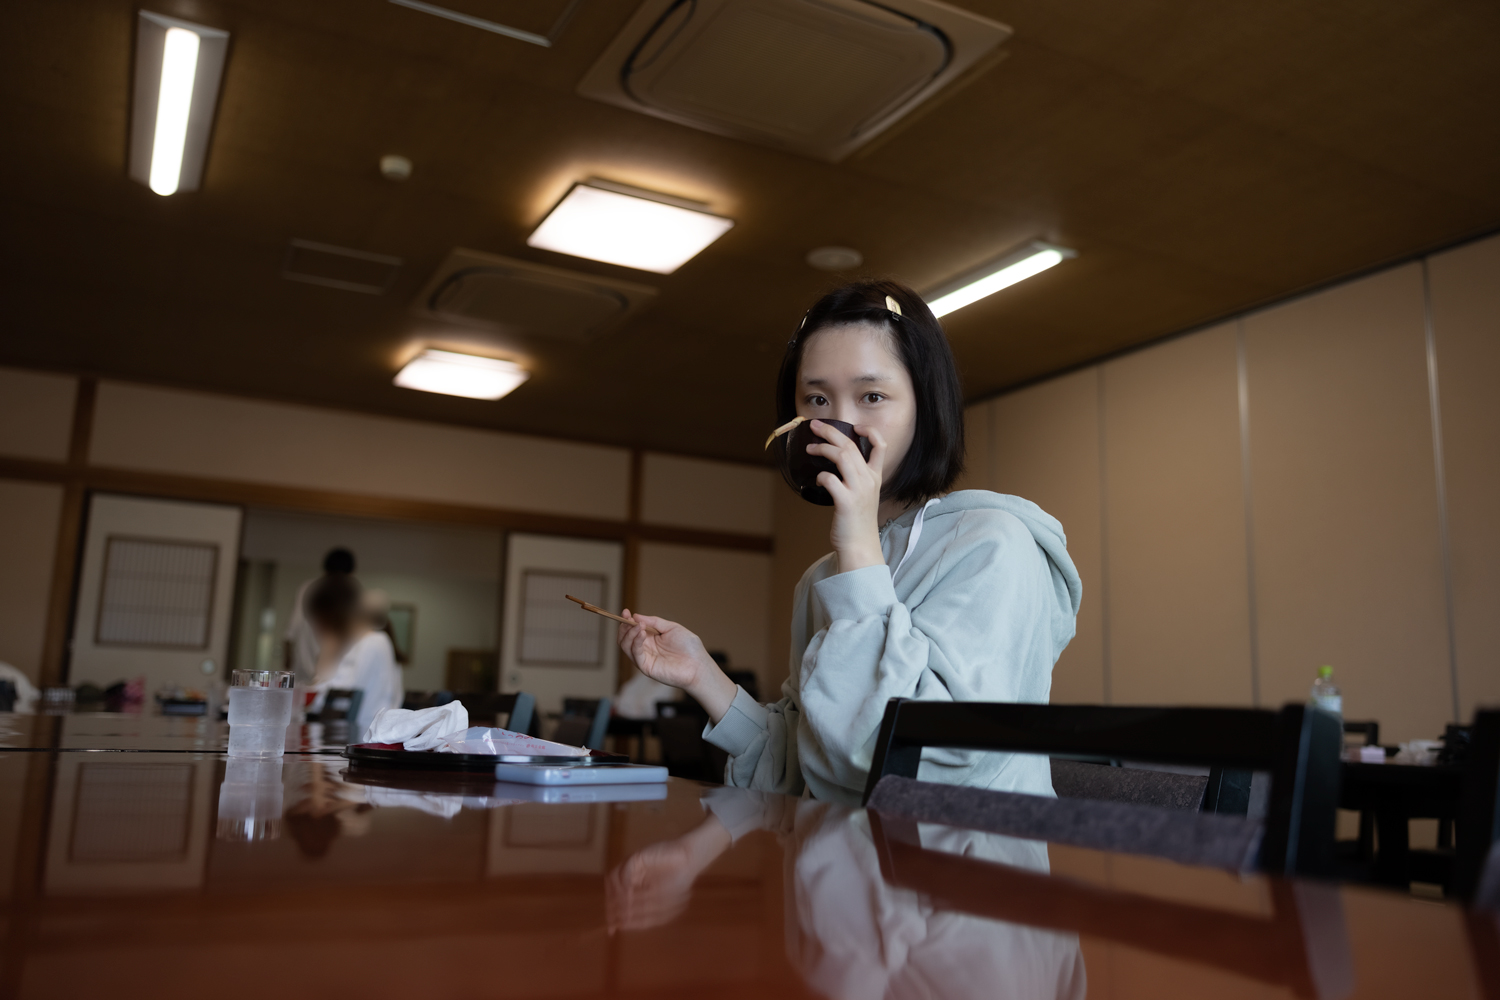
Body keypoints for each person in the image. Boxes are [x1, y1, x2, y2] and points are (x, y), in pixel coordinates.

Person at [617, 279, 1082, 804]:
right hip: (841, 868)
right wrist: (703, 675)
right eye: (817, 399)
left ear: (925, 407)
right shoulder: (823, 578)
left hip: (961, 873)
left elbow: (923, 764)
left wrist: (858, 551)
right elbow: (810, 769)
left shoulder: (995, 545)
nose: (839, 424)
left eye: (872, 396)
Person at [304, 576, 402, 739]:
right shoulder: (361, 645)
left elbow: (334, 700)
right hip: (352, 736)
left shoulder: (373, 643)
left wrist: (327, 653)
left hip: (362, 738)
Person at [284, 547, 357, 686]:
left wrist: (287, 660)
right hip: (323, 667)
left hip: (309, 666)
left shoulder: (308, 587)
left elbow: (291, 630)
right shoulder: (348, 591)